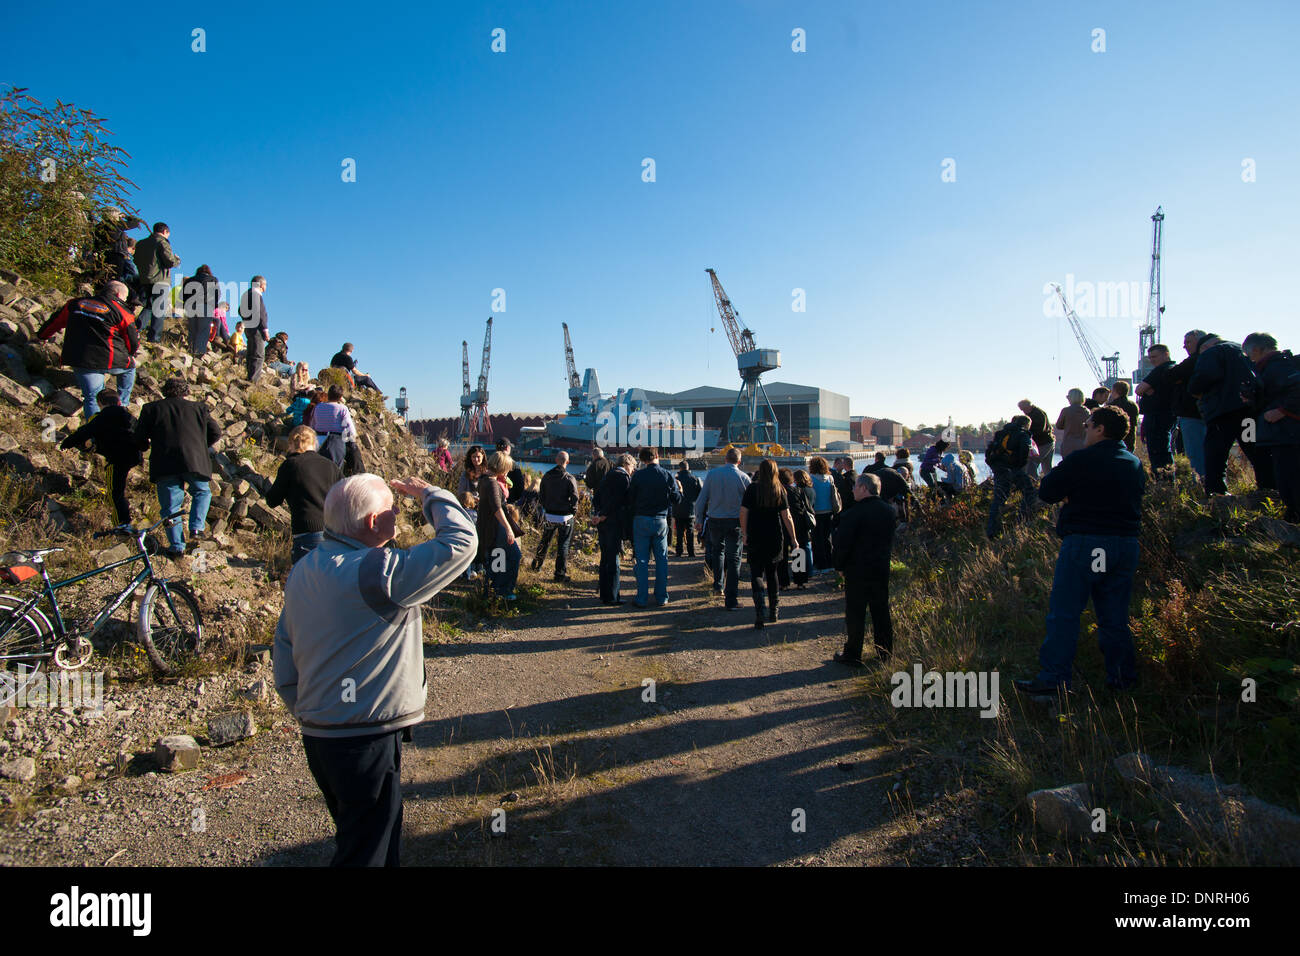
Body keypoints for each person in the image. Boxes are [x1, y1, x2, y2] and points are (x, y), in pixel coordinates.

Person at [273, 473, 476, 866]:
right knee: (367, 851)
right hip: (364, 736)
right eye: (391, 508)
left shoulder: (305, 567)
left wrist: (303, 706)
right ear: (371, 522)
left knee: (364, 835)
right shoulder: (376, 572)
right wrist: (430, 495)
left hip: (320, 734)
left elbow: (284, 646)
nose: (398, 512)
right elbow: (462, 544)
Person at [1014, 407, 1145, 694]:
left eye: (1088, 425)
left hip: (1088, 544)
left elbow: (1047, 491)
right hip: (1124, 544)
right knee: (1115, 616)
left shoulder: (1081, 460)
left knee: (1066, 613)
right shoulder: (1133, 462)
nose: (1084, 429)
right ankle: (1122, 680)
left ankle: (1054, 681)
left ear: (1100, 429)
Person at [134, 377, 222, 557]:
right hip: (194, 461)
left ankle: (177, 546)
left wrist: (145, 446)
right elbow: (216, 432)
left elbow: (139, 437)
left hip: (165, 462)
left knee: (170, 506)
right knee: (202, 492)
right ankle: (197, 528)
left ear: (165, 391)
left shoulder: (151, 409)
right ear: (186, 392)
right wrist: (200, 445)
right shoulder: (199, 408)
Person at [37, 280, 139, 418]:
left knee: (92, 397)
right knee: (130, 367)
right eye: (125, 298)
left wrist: (42, 336)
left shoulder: (75, 303)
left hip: (80, 358)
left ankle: (94, 433)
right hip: (110, 359)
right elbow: (132, 339)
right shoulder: (123, 312)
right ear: (118, 294)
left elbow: (56, 322)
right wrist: (131, 353)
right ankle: (123, 405)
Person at [1187, 332, 1269, 496]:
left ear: (1204, 347)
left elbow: (1203, 378)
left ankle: (1217, 494)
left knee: (1216, 455)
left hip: (1221, 415)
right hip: (1248, 413)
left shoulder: (1211, 353)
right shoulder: (1245, 351)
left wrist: (1194, 389)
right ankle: (1268, 489)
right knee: (1254, 450)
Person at [830, 472, 897, 667]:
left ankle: (853, 653)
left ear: (864, 489)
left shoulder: (852, 514)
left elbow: (843, 544)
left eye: (855, 487)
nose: (852, 490)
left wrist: (839, 566)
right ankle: (884, 652)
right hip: (880, 567)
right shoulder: (889, 511)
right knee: (881, 612)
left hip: (857, 569)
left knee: (855, 613)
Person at [60, 389, 142, 526]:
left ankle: (122, 524)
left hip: (116, 458)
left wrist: (66, 443)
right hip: (133, 456)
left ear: (100, 403)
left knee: (115, 493)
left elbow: (84, 432)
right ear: (119, 402)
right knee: (119, 490)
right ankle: (124, 521)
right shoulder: (130, 417)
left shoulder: (101, 417)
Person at [266, 425, 344, 564]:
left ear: (290, 444)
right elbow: (345, 495)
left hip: (307, 532)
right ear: (315, 443)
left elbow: (273, 500)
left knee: (307, 582)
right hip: (334, 533)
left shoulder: (290, 465)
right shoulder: (330, 465)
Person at [1244, 332, 1300, 522]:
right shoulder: (1273, 367)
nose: (1249, 358)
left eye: (1249, 353)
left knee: (1290, 478)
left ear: (1257, 349)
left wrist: (1282, 411)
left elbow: (1297, 389)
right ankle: (1291, 517)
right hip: (1282, 434)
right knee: (1286, 479)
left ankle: (1294, 520)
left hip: (1288, 433)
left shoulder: (1277, 366)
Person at [740, 459, 797, 629]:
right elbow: (787, 517)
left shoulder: (752, 488)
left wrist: (744, 533)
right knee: (772, 573)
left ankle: (760, 611)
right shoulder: (779, 490)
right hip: (774, 536)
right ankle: (774, 610)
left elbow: (743, 512)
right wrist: (793, 538)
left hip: (755, 535)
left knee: (756, 573)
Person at [695, 447, 751, 608]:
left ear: (725, 459)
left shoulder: (712, 475)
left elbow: (701, 499)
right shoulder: (744, 477)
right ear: (739, 461)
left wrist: (699, 519)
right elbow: (750, 505)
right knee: (734, 558)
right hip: (735, 522)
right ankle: (731, 598)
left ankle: (718, 586)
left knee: (717, 552)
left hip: (715, 519)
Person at [627, 448, 681, 607]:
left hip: (641, 519)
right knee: (662, 560)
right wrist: (681, 491)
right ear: (657, 456)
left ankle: (641, 598)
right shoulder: (667, 475)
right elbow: (676, 499)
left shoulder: (637, 475)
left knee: (642, 560)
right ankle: (662, 597)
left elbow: (630, 499)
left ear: (642, 460)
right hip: (660, 520)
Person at [476, 450, 522, 600]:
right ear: (501, 467)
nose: (508, 472)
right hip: (496, 527)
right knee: (514, 555)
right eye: (507, 468)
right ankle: (504, 589)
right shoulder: (492, 483)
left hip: (487, 526)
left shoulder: (484, 479)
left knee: (497, 557)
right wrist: (508, 529)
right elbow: (497, 508)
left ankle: (493, 589)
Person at [985, 415, 1035, 539]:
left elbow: (989, 451)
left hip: (999, 468)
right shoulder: (1023, 435)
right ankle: (1021, 522)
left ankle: (991, 531)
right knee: (1029, 492)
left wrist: (995, 466)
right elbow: (1024, 452)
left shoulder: (1001, 433)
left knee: (999, 498)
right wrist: (1019, 466)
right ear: (1027, 424)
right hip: (1012, 468)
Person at [531, 451, 579, 581]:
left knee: (545, 541)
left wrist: (547, 507)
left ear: (556, 460)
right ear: (567, 462)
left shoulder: (546, 476)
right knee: (563, 545)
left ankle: (536, 565)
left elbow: (541, 496)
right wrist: (572, 511)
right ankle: (559, 574)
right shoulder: (569, 478)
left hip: (550, 514)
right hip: (565, 516)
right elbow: (575, 497)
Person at [593, 453, 634, 605]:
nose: (633, 470)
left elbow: (596, 497)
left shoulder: (607, 475)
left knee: (605, 558)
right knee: (613, 560)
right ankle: (612, 596)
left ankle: (604, 593)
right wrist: (604, 514)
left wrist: (598, 513)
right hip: (614, 522)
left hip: (603, 522)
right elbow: (617, 501)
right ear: (627, 464)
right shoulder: (623, 478)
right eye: (633, 466)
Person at [1167, 330, 1208, 479]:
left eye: (1188, 342)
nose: (1185, 346)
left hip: (1192, 414)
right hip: (1205, 413)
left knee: (1196, 453)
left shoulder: (1196, 359)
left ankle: (1202, 486)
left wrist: (1181, 378)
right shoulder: (1208, 360)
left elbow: (1171, 375)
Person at [132, 222, 181, 344]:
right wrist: (177, 260)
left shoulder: (141, 243)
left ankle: (135, 329)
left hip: (144, 279)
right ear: (165, 232)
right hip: (160, 280)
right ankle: (154, 338)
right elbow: (169, 261)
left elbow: (136, 259)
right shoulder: (162, 242)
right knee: (159, 309)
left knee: (148, 306)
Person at [1133, 344, 1179, 474]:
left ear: (1166, 354)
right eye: (1150, 358)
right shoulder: (1174, 369)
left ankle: (1163, 482)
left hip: (1157, 416)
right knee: (1166, 448)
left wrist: (1149, 390)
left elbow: (1139, 389)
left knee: (1158, 451)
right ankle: (1167, 480)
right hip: (1169, 414)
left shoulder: (1161, 370)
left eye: (1154, 356)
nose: (1152, 360)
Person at [312, 385, 358, 468]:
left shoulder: (318, 407)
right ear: (340, 397)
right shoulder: (342, 408)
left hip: (318, 439)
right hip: (335, 441)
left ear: (328, 394)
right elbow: (350, 428)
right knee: (335, 470)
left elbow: (313, 423)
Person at [807, 456, 840, 570]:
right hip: (829, 511)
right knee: (827, 538)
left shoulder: (810, 479)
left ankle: (819, 563)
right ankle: (829, 562)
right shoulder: (830, 478)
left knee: (816, 539)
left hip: (816, 512)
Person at [182, 264, 221, 358]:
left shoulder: (190, 280)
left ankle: (191, 350)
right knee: (203, 330)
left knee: (192, 329)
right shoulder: (213, 279)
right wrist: (214, 305)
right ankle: (198, 353)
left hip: (191, 306)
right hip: (205, 306)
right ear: (208, 271)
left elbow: (183, 294)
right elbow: (217, 294)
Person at [787, 469, 816, 586]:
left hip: (797, 522)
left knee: (797, 549)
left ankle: (797, 577)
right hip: (806, 522)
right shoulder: (811, 490)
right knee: (803, 549)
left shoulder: (797, 491)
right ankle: (802, 579)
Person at [239, 275, 270, 381]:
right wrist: (265, 329)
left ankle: (249, 377)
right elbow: (261, 313)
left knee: (251, 352)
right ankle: (253, 380)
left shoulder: (246, 294)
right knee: (258, 354)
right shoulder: (256, 295)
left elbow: (240, 310)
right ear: (261, 284)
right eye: (265, 284)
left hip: (248, 327)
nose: (266, 287)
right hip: (257, 329)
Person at [1018, 399, 1055, 478]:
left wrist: (1026, 434)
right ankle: (1049, 484)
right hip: (1048, 441)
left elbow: (1039, 430)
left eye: (1023, 409)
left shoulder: (1038, 414)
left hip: (1044, 443)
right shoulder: (1035, 413)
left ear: (1028, 406)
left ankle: (1033, 483)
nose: (1023, 411)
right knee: (1047, 467)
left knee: (1032, 463)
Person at [673, 460, 702, 557]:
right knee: (690, 531)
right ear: (688, 467)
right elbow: (700, 494)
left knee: (680, 531)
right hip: (691, 509)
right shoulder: (695, 479)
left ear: (680, 468)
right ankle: (691, 552)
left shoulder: (676, 479)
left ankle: (679, 551)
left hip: (678, 509)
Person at [1055, 388, 1090, 460]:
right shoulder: (1087, 411)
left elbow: (1058, 426)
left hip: (1068, 444)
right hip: (1083, 444)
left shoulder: (1066, 410)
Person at [1106, 381, 1140, 453]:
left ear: (1115, 391)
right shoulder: (1133, 405)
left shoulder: (1112, 406)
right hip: (1130, 439)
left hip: (1115, 440)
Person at [493, 438, 526, 505]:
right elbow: (520, 486)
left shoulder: (491, 462)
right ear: (508, 448)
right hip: (509, 502)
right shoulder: (513, 465)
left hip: (493, 501)